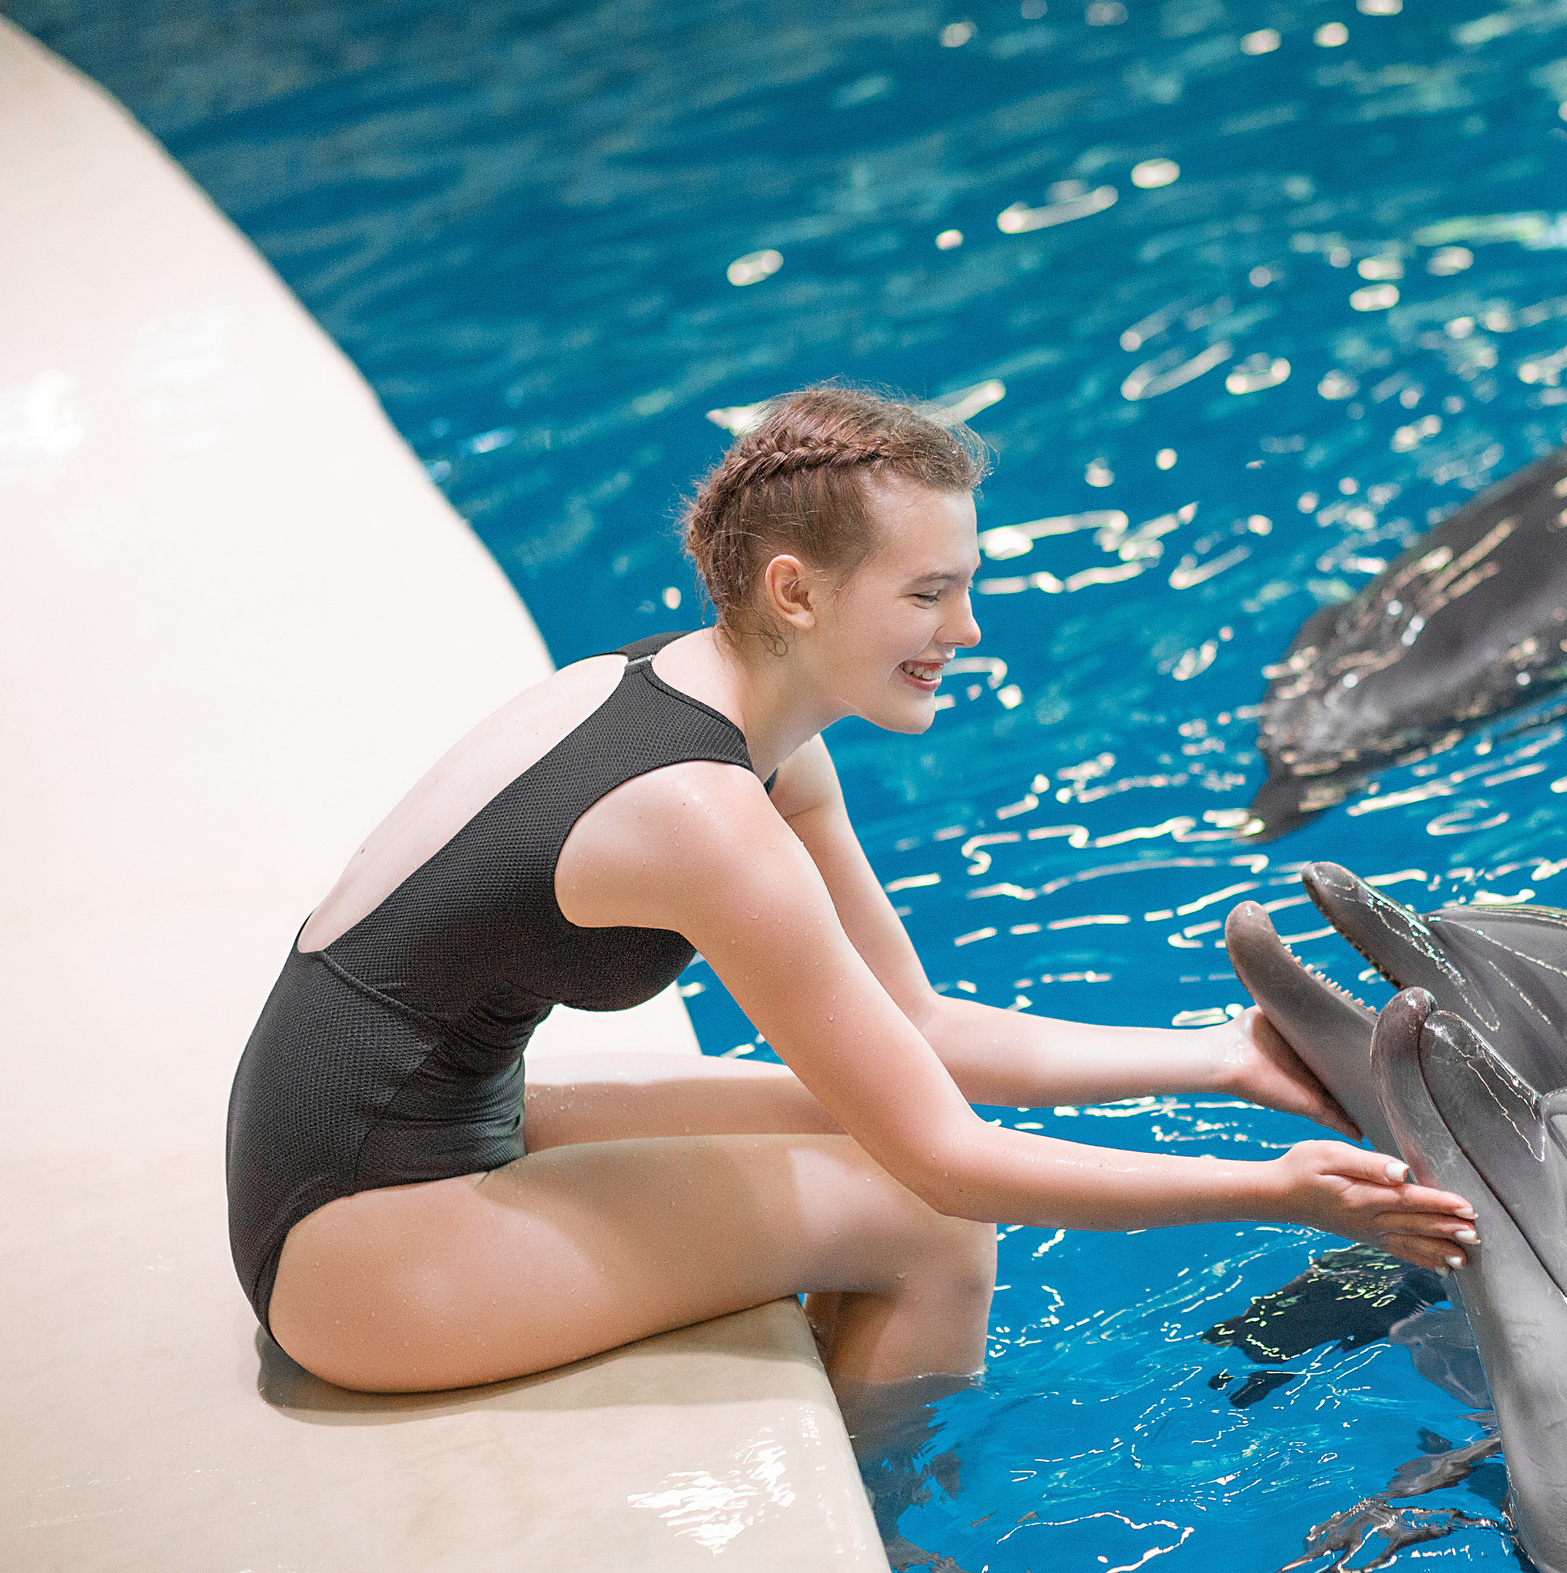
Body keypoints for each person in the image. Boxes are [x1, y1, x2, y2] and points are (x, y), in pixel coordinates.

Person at [226, 385, 1477, 1416]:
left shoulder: (713, 705)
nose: (968, 630)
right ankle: (905, 1547)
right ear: (794, 593)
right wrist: (1278, 1193)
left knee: (855, 1117)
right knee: (927, 1224)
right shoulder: (698, 816)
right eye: (927, 594)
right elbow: (947, 1161)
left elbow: (918, 1028)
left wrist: (1217, 1063)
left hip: (402, 1140)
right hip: (356, 1249)